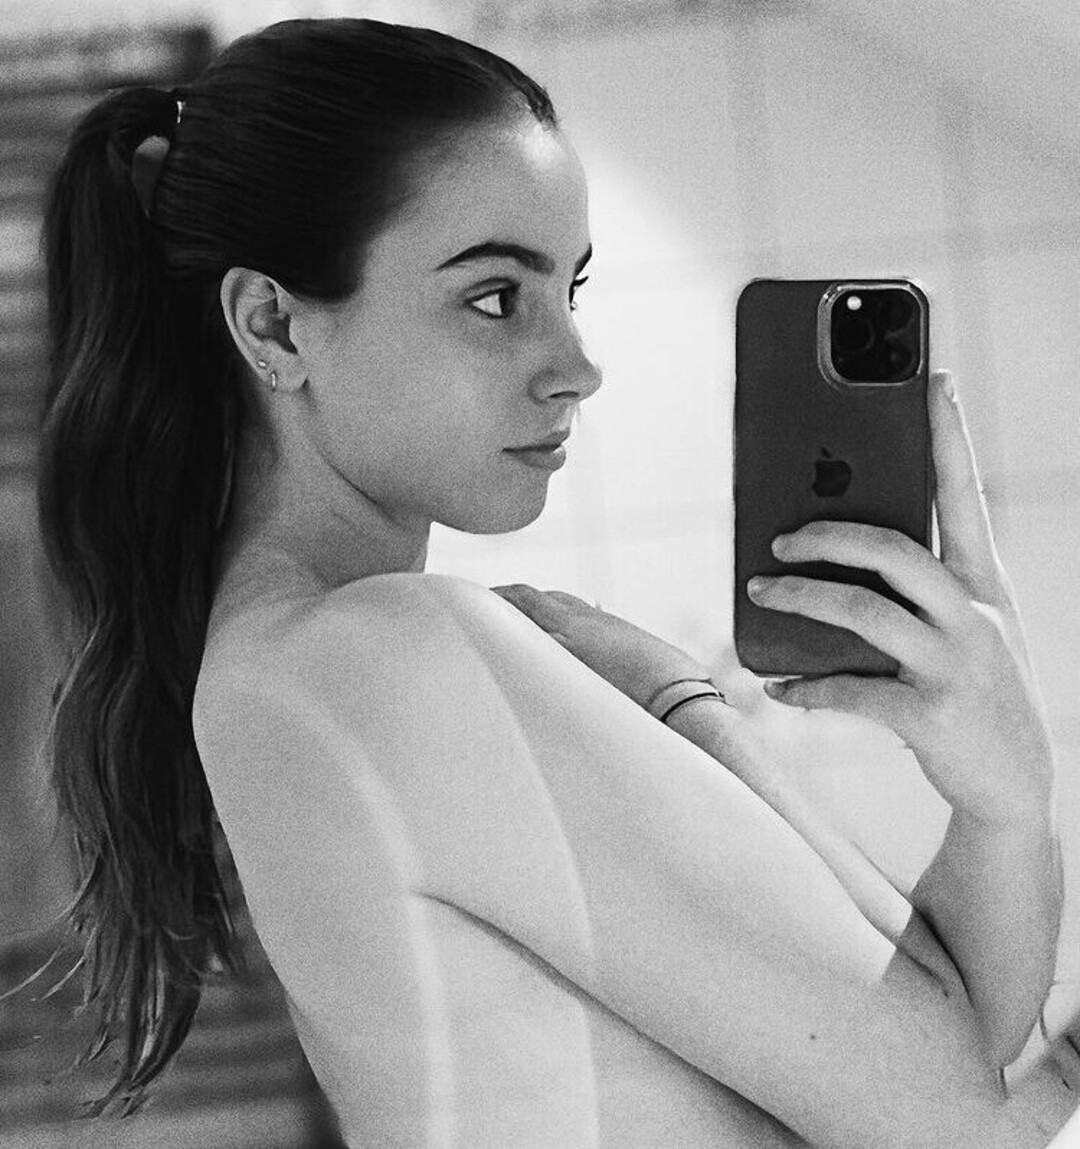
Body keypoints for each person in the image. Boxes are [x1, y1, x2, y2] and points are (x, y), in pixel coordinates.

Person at [36, 15, 1077, 1147]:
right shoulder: (382, 651)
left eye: (570, 291)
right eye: (496, 297)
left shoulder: (272, 671)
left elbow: (962, 1058)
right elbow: (959, 1120)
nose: (578, 366)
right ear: (273, 324)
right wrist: (687, 708)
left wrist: (1001, 805)